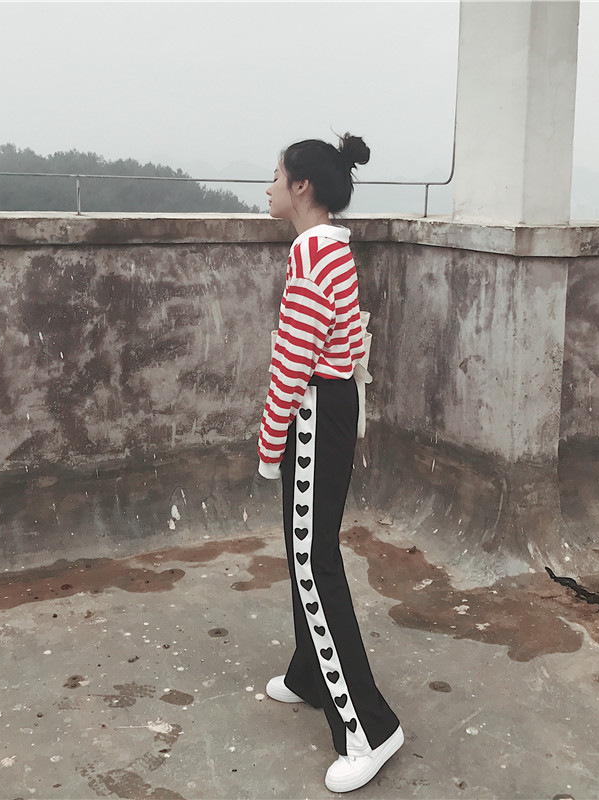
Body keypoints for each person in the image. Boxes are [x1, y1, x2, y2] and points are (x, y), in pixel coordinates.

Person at [257, 133, 403, 793]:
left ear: (302, 187)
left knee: (315, 564)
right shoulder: (327, 250)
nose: (269, 187)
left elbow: (292, 362)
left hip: (316, 413)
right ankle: (309, 674)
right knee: (306, 552)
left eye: (276, 176)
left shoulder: (313, 257)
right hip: (328, 407)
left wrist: (270, 445)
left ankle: (369, 728)